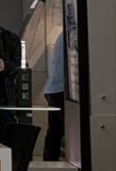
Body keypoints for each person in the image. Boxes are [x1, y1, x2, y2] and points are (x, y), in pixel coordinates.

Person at [43, 31, 66, 161]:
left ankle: (50, 161)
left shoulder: (63, 35)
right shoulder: (72, 33)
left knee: (55, 130)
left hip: (54, 88)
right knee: (57, 130)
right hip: (60, 88)